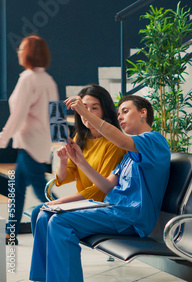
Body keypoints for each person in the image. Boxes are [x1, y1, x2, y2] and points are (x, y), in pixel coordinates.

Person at [30, 94, 170, 281]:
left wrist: (83, 111)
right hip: (113, 211)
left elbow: (121, 140)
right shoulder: (130, 154)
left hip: (131, 218)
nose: (120, 117)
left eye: (125, 111)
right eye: (118, 113)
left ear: (143, 113)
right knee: (45, 214)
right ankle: (44, 278)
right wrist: (79, 161)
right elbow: (106, 185)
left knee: (60, 222)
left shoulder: (154, 141)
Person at [30, 84, 126, 233]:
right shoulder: (81, 138)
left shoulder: (115, 144)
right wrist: (63, 160)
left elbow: (102, 191)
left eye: (94, 108)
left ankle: (50, 256)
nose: (87, 113)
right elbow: (63, 178)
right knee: (39, 213)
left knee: (41, 212)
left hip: (102, 205)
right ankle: (46, 257)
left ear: (104, 111)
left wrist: (61, 202)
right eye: (84, 107)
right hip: (84, 203)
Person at [0, 36, 58, 245]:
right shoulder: (47, 79)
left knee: (40, 189)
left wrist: (2, 138)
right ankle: (10, 232)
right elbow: (55, 113)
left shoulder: (28, 78)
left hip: (30, 143)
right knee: (18, 188)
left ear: (30, 53)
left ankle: (68, 219)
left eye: (22, 48)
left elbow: (19, 114)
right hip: (36, 142)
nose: (18, 51)